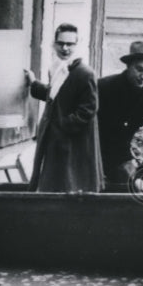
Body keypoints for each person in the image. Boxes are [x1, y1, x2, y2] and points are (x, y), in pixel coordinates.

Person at [24, 23, 102, 192]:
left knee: (71, 183)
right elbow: (56, 95)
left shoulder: (85, 73)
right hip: (57, 140)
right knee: (54, 182)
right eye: (61, 43)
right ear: (54, 44)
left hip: (74, 143)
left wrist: (62, 126)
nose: (65, 48)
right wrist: (34, 83)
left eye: (70, 44)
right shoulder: (57, 68)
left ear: (77, 45)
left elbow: (89, 109)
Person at [97, 40, 143, 186]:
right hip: (91, 150)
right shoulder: (104, 87)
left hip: (120, 158)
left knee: (134, 185)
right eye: (139, 69)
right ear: (128, 66)